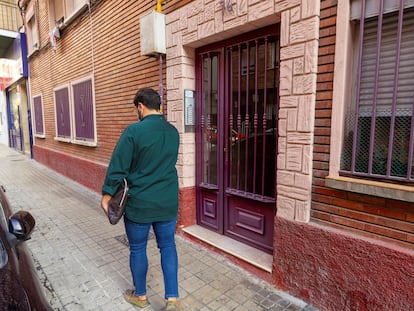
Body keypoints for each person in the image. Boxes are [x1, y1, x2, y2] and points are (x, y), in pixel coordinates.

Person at [101, 87, 182, 311]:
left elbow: (118, 167)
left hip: (140, 204)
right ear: (159, 106)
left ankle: (141, 296)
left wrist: (107, 195)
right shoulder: (173, 132)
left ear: (141, 106)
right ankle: (173, 300)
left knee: (137, 248)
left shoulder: (133, 132)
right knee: (168, 246)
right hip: (167, 202)